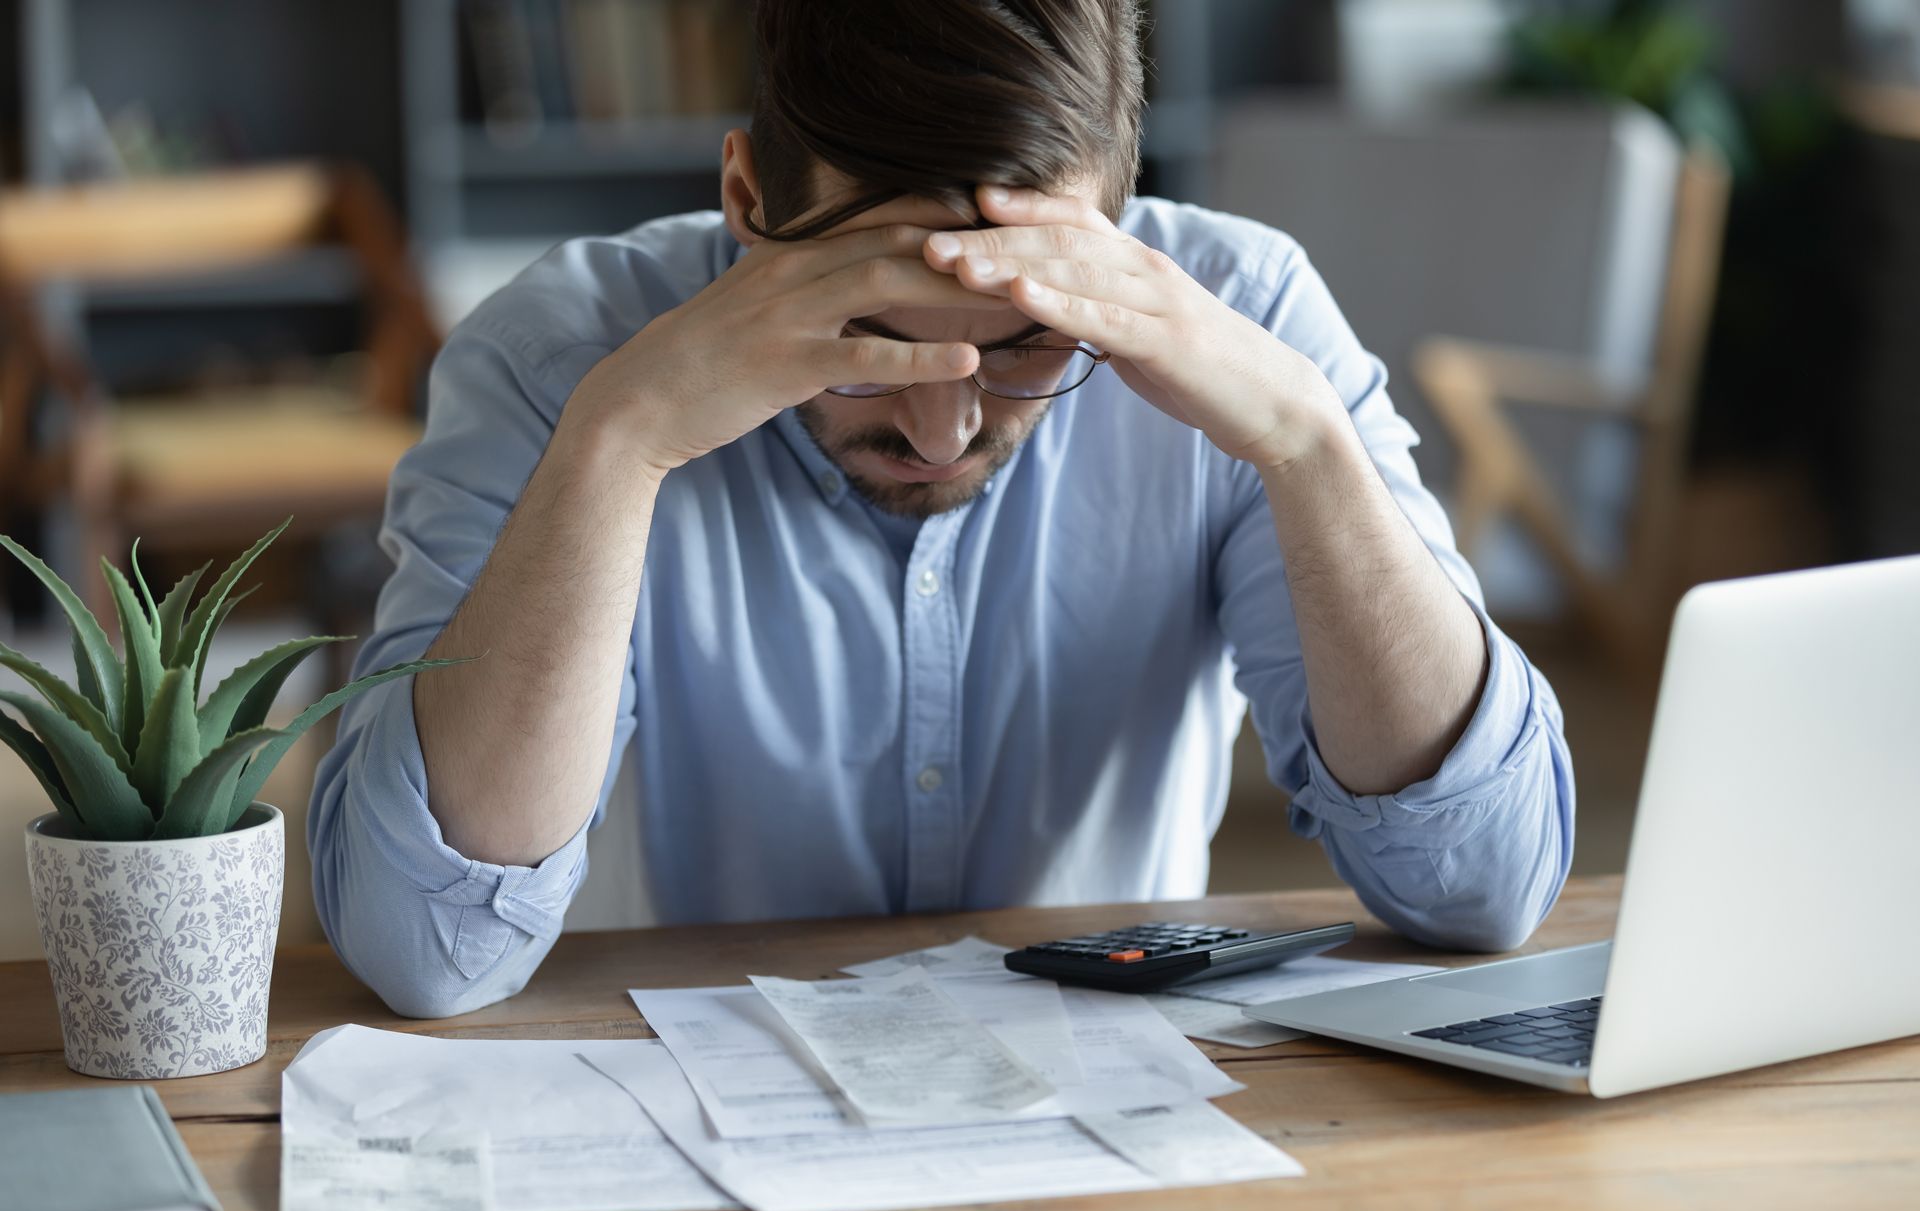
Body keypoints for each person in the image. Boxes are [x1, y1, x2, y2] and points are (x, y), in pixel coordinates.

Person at [310, 0, 1574, 1019]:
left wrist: (1306, 446)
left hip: (1118, 1133)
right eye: (865, 336)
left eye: (1029, 342)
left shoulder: (1249, 319)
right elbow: (429, 948)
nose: (942, 430)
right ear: (749, 203)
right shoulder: (557, 361)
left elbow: (1483, 885)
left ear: (1120, 220)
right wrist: (623, 440)